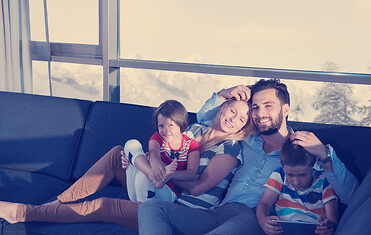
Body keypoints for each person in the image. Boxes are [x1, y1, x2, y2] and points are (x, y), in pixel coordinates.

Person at [138, 78, 358, 235]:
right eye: (255, 107)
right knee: (151, 208)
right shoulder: (244, 139)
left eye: (268, 106)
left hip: (255, 218)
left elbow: (350, 194)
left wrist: (325, 153)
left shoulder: (303, 150)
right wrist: (224, 94)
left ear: (285, 109)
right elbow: (206, 118)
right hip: (216, 212)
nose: (260, 113)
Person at [0, 97, 255, 230]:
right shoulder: (195, 128)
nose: (235, 119)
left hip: (179, 209)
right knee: (117, 152)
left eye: (243, 118)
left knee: (103, 206)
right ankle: (60, 202)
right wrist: (140, 162)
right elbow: (162, 147)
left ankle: (23, 213)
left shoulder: (231, 148)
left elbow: (198, 187)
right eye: (233, 110)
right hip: (157, 187)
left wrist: (158, 173)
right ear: (223, 108)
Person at [124, 100, 200, 204]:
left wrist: (170, 175)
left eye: (170, 125)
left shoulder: (191, 144)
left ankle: (144, 213)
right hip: (138, 187)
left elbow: (191, 174)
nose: (166, 130)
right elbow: (153, 152)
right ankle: (151, 175)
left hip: (166, 192)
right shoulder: (158, 137)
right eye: (161, 126)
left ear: (181, 123)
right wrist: (156, 167)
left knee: (143, 177)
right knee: (131, 144)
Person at [256, 138, 338, 235]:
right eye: (290, 175)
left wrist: (328, 226)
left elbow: (332, 220)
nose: (296, 181)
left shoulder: (323, 181)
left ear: (313, 167)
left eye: (303, 175)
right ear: (283, 168)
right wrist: (262, 220)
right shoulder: (280, 175)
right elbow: (264, 203)